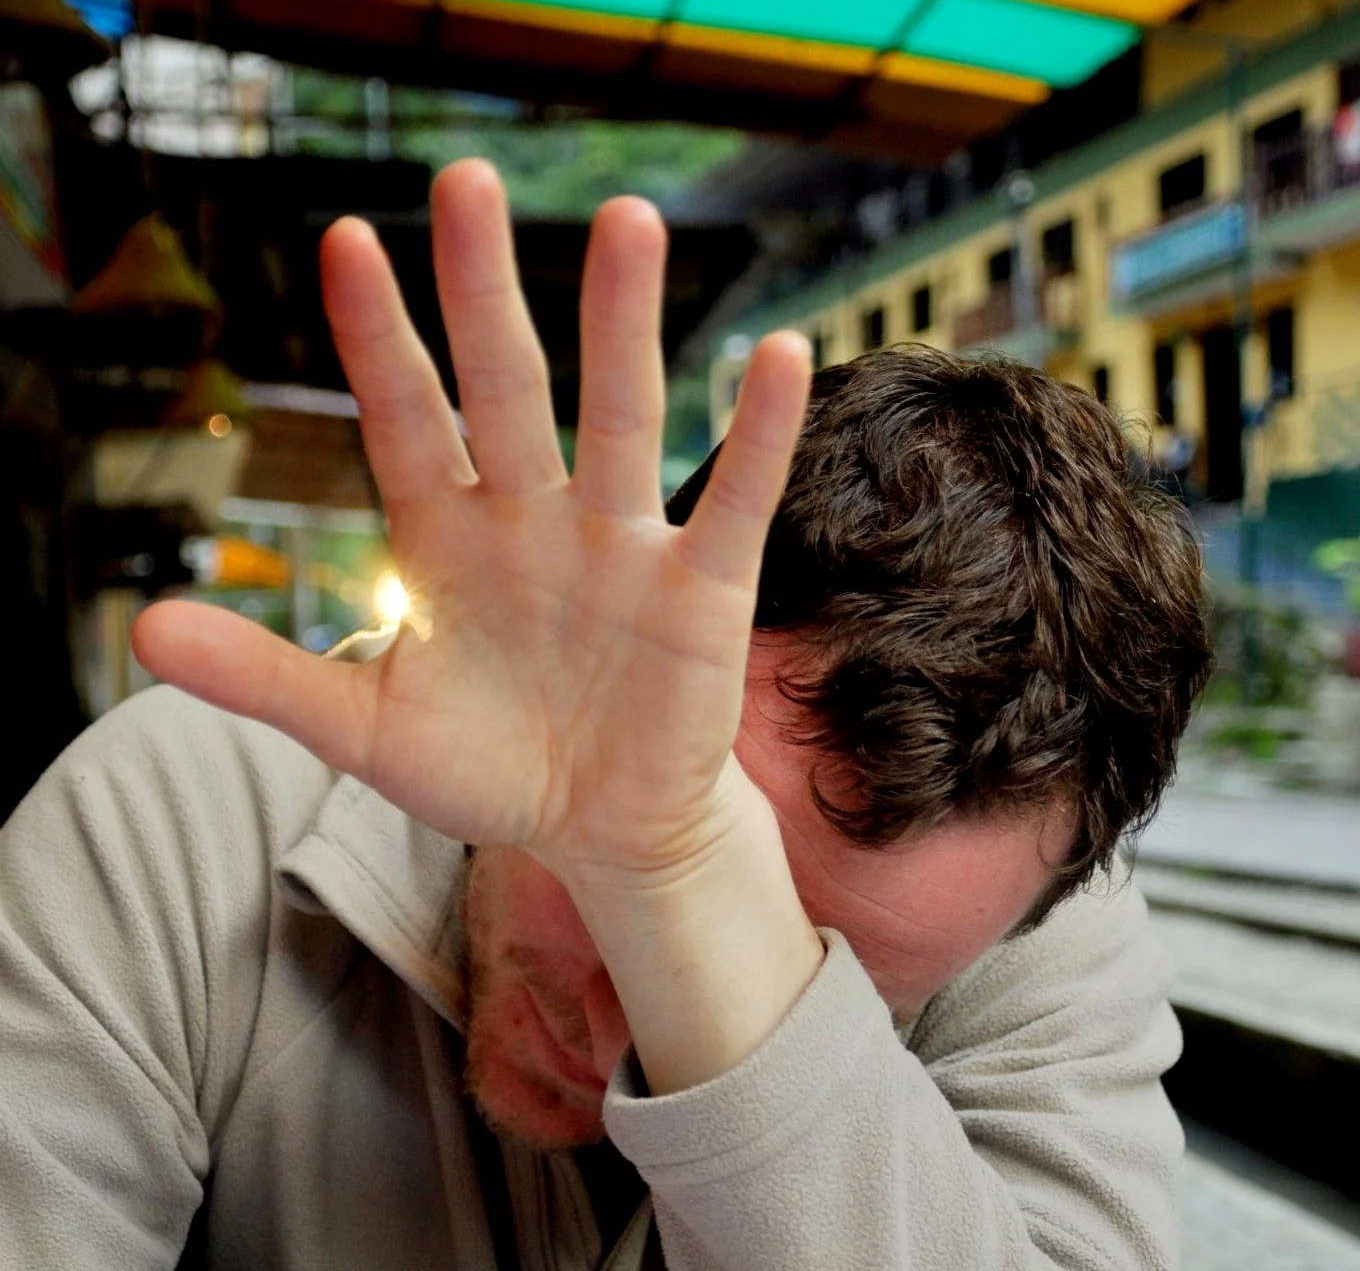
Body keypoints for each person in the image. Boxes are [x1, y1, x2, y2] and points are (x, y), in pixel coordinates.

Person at [0, 159, 1210, 1270]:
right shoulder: (173, 829)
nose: (611, 1028)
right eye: (616, 856)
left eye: (823, 973)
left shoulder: (1012, 926)